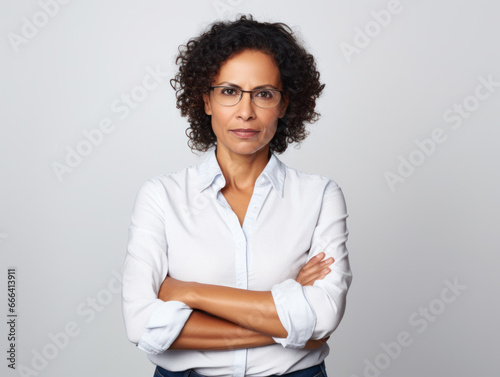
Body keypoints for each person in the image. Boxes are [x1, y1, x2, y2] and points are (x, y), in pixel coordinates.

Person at [121, 15, 352, 377]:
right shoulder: (160, 197)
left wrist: (191, 293)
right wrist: (288, 320)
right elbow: (139, 324)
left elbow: (322, 318)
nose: (246, 111)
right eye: (229, 91)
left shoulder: (320, 196)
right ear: (207, 100)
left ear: (284, 103)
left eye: (263, 94)